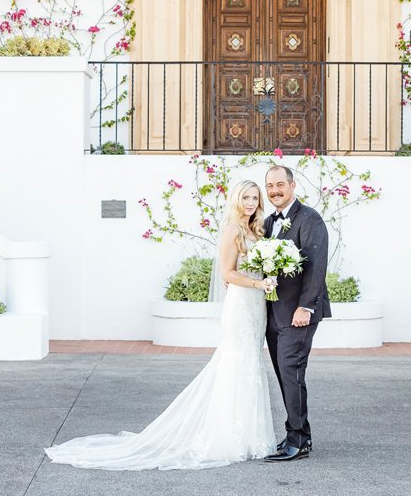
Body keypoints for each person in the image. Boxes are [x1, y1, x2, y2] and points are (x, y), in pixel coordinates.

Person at [44, 180, 278, 470]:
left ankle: (251, 438)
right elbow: (228, 274)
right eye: (246, 197)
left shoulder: (258, 230)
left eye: (255, 198)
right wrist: (259, 282)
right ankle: (228, 437)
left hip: (257, 307)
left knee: (251, 364)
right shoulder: (232, 230)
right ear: (236, 199)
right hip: (241, 305)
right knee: (236, 364)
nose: (251, 202)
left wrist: (269, 277)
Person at [262, 162, 329, 462]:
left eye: (280, 185)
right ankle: (301, 434)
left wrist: (305, 306)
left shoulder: (310, 219)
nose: (275, 190)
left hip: (298, 314)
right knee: (285, 374)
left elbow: (316, 267)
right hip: (274, 314)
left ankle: (297, 440)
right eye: (270, 186)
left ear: (292, 186)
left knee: (291, 372)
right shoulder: (267, 223)